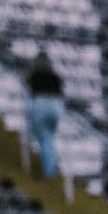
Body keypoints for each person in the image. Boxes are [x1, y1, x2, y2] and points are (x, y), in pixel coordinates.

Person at [25, 51, 63, 179]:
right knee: (50, 137)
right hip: (55, 106)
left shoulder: (34, 76)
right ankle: (53, 163)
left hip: (40, 104)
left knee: (44, 138)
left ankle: (49, 171)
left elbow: (29, 89)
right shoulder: (55, 77)